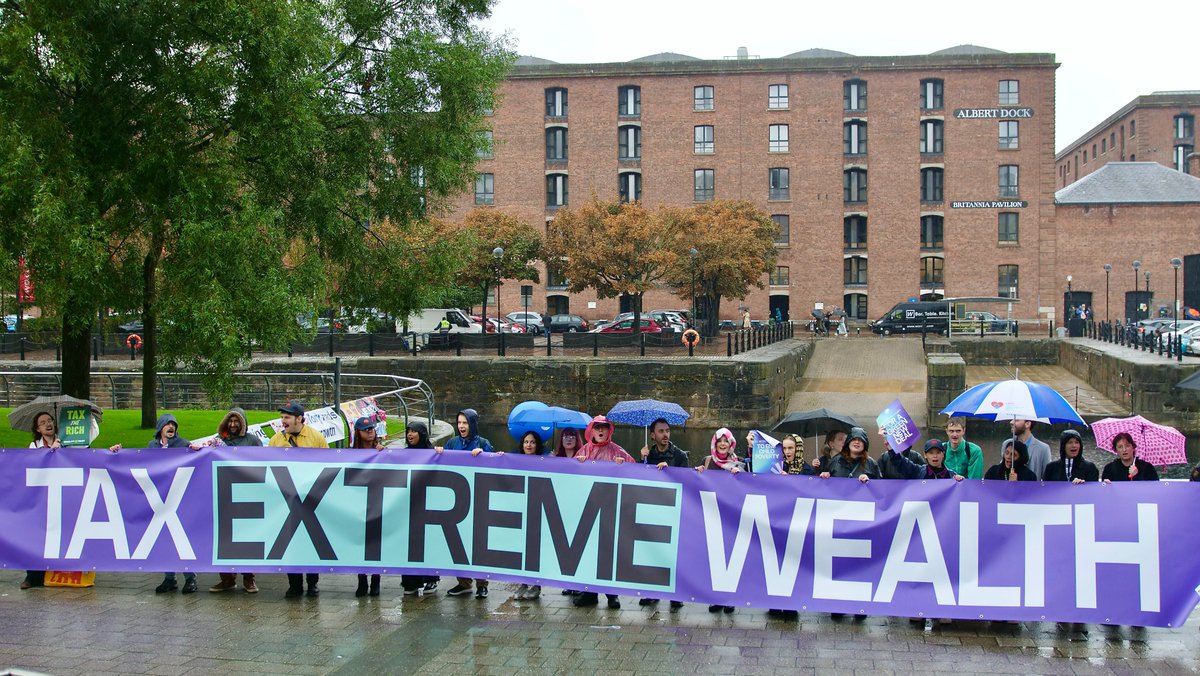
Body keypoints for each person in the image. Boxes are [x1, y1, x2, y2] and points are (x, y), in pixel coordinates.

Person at [268, 402, 328, 598]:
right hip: (287, 500)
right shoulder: (276, 440)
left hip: (311, 498)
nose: (282, 421)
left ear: (299, 419)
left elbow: (329, 465)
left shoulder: (316, 438)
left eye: (287, 417)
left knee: (311, 541)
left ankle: (312, 583)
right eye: (282, 417)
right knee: (290, 542)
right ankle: (294, 585)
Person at [572, 416, 633, 609]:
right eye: (597, 427)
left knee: (607, 551)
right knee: (588, 550)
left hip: (609, 507)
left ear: (609, 431)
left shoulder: (617, 451)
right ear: (591, 430)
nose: (600, 431)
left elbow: (635, 471)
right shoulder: (584, 451)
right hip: (588, 507)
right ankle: (589, 592)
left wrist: (624, 466)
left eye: (604, 428)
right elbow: (569, 475)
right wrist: (578, 464)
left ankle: (612, 594)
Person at [440, 409, 494, 599]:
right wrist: (438, 454)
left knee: (479, 542)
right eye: (459, 423)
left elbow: (495, 466)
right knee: (458, 542)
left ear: (472, 424)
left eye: (465, 423)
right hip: (458, 499)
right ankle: (463, 582)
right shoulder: (452, 443)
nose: (462, 426)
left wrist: (484, 455)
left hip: (478, 498)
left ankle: (482, 583)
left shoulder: (483, 443)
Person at [208, 408, 262, 594]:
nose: (232, 425)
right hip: (225, 495)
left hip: (247, 495)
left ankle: (249, 578)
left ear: (243, 423)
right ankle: (227, 579)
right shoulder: (218, 441)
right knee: (224, 537)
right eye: (230, 421)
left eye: (236, 421)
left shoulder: (252, 441)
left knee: (247, 538)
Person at [637, 418, 690, 609]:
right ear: (652, 435)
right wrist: (640, 461)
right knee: (652, 552)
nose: (665, 434)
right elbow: (637, 479)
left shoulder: (680, 455)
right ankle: (652, 592)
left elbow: (687, 481)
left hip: (673, 508)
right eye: (661, 431)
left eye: (667, 430)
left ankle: (676, 594)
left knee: (674, 552)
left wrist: (670, 472)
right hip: (652, 507)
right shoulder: (647, 455)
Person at [147, 414, 201, 594]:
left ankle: (190, 578)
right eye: (167, 424)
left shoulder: (183, 444)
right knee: (164, 539)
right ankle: (169, 578)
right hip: (160, 499)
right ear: (160, 427)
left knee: (180, 538)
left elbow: (198, 459)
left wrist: (197, 451)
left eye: (173, 424)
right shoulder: (152, 446)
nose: (171, 427)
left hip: (179, 499)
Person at [21, 412, 62, 588]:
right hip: (41, 498)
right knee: (36, 535)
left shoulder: (66, 441)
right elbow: (34, 464)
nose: (48, 424)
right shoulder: (34, 446)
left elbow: (86, 456)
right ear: (38, 429)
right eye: (43, 422)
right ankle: (32, 576)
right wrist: (51, 451)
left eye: (50, 420)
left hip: (63, 496)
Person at [400, 420, 439, 597]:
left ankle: (431, 578)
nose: (410, 434)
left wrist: (441, 454)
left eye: (414, 431)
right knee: (408, 544)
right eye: (408, 431)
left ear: (421, 434)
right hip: (408, 505)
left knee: (428, 542)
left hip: (427, 504)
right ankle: (410, 581)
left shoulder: (432, 453)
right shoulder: (403, 454)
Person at [350, 417, 385, 597]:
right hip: (358, 502)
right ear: (358, 433)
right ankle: (362, 580)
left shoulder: (381, 451)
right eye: (366, 429)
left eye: (372, 428)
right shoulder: (351, 454)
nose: (370, 431)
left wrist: (383, 453)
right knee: (359, 542)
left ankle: (376, 580)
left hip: (376, 501)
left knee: (375, 542)